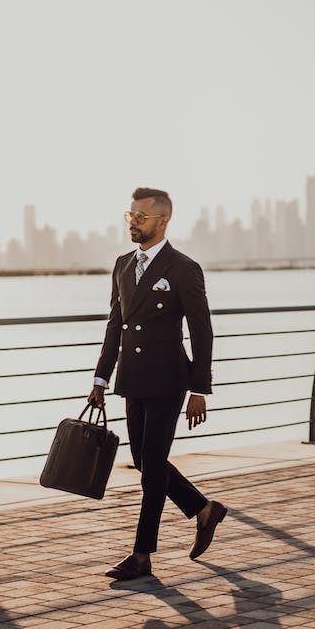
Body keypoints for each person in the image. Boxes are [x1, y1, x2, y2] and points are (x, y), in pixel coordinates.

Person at [89, 187, 227, 581]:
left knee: (151, 470)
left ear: (163, 220)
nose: (132, 223)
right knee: (146, 461)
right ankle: (204, 509)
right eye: (129, 215)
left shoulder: (183, 267)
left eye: (140, 217)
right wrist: (101, 378)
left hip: (169, 380)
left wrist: (200, 389)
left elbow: (202, 331)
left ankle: (142, 556)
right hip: (131, 380)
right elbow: (115, 325)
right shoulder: (121, 265)